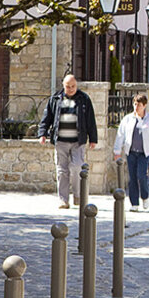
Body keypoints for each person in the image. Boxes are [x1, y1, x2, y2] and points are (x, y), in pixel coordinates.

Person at [38, 75, 98, 209]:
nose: (70, 89)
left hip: (78, 141)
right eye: (68, 86)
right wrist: (42, 133)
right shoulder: (55, 99)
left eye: (73, 86)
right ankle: (63, 200)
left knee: (77, 167)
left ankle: (78, 196)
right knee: (62, 170)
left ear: (76, 85)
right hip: (60, 141)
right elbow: (47, 117)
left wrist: (93, 138)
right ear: (63, 86)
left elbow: (90, 119)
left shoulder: (84, 99)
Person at [112, 93, 149, 211]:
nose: (136, 107)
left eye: (139, 105)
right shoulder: (128, 119)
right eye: (135, 104)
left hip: (144, 153)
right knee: (132, 177)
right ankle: (134, 203)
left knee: (141, 175)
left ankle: (145, 196)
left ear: (144, 106)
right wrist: (117, 151)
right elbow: (120, 135)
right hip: (131, 152)